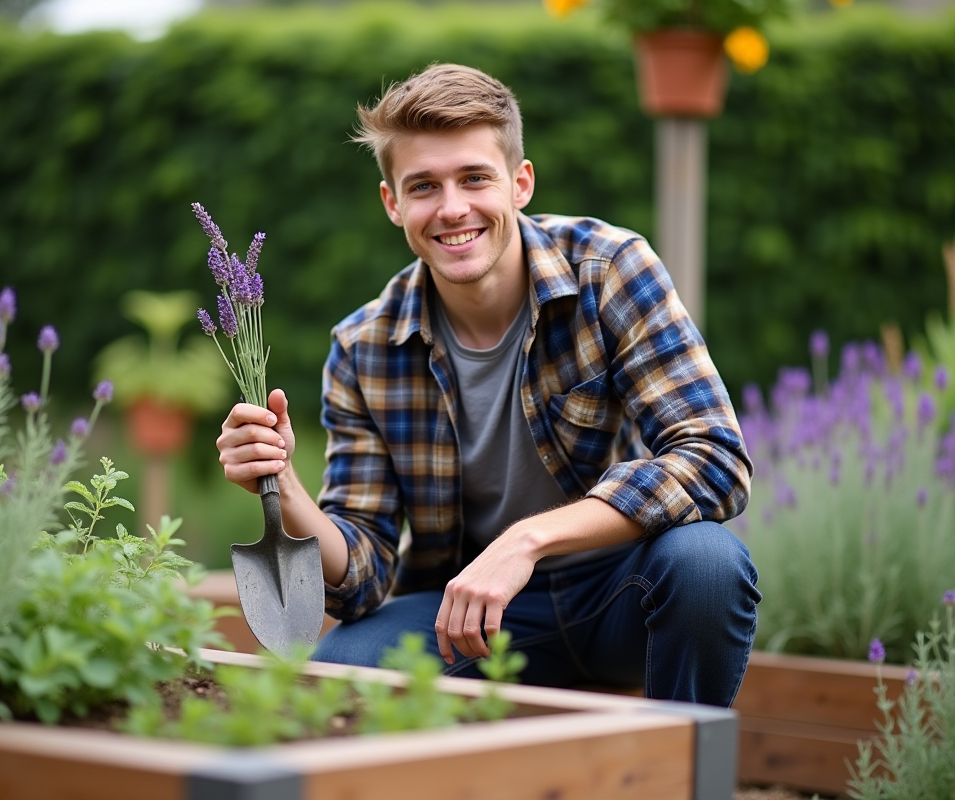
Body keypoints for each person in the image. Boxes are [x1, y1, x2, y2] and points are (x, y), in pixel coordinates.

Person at [216, 63, 759, 707]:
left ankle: (684, 771)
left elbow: (715, 460)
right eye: (423, 186)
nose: (452, 209)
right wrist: (284, 484)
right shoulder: (363, 347)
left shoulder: (610, 270)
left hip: (619, 595)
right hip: (469, 620)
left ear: (520, 183)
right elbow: (360, 575)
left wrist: (526, 542)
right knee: (345, 672)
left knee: (706, 564)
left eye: (475, 177)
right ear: (393, 203)